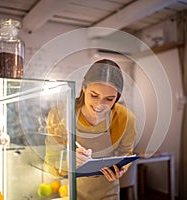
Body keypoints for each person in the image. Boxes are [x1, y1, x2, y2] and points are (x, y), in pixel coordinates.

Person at [45, 59, 137, 200]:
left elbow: (126, 153)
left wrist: (121, 169)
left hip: (108, 194)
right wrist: (69, 161)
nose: (100, 105)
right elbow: (50, 162)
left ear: (117, 97)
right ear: (84, 87)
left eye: (109, 99)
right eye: (94, 95)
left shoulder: (124, 118)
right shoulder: (61, 113)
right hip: (69, 193)